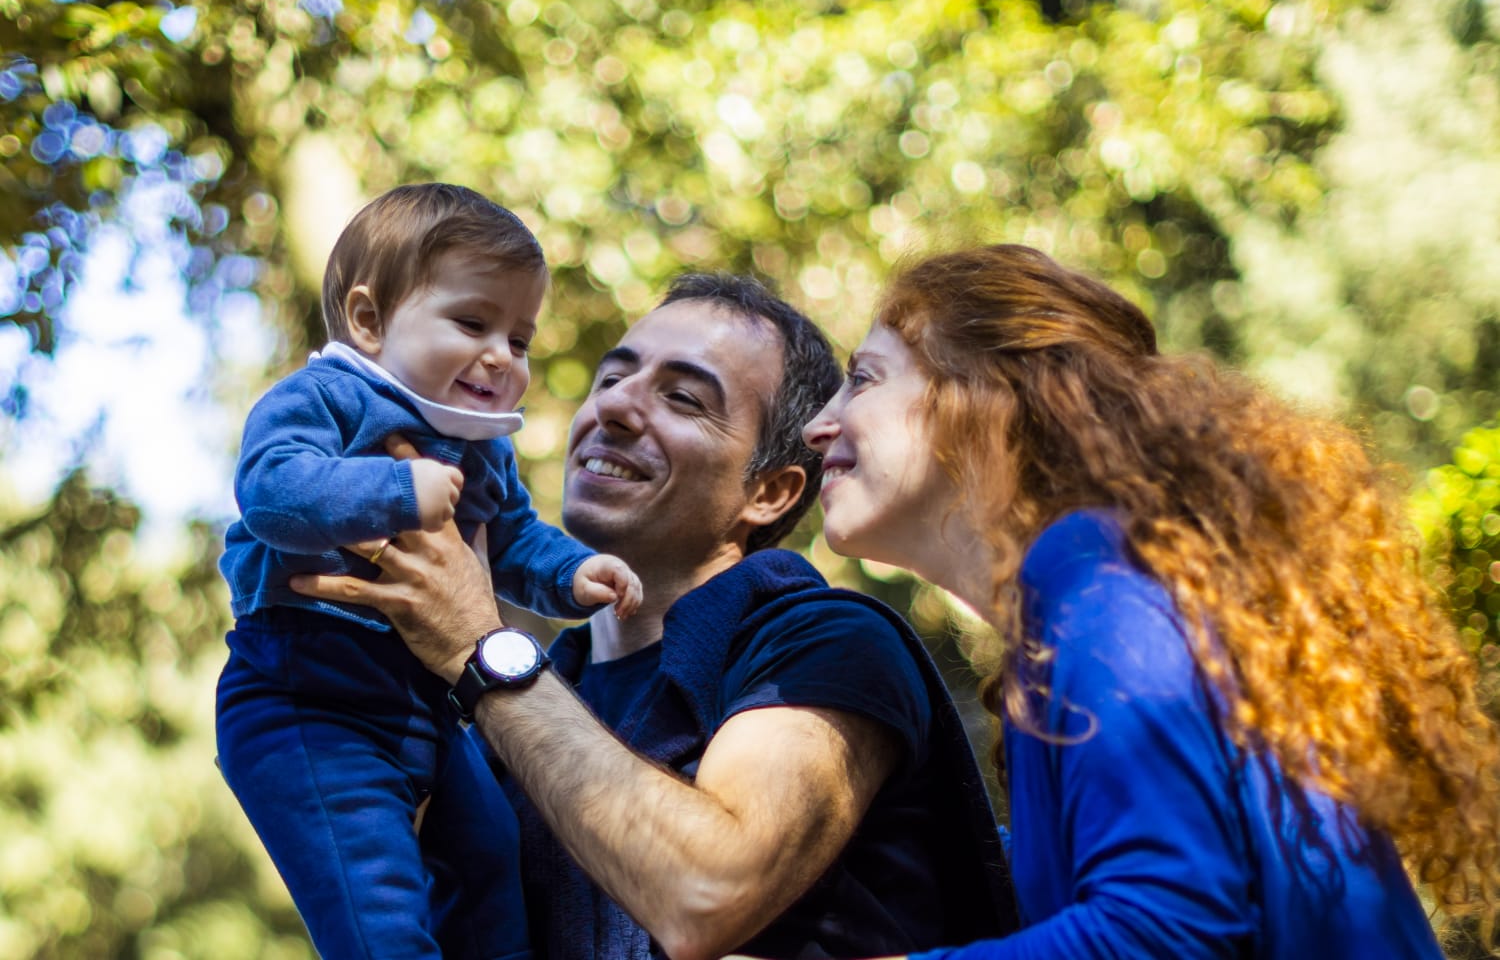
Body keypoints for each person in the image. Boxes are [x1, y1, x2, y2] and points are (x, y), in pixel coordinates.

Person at [797, 243, 1500, 958]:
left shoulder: (1107, 600)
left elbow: (1166, 930)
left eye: (863, 379)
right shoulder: (1099, 596)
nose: (816, 426)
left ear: (989, 400)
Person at [292, 273, 1020, 960]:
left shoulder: (833, 643)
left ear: (768, 491)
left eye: (682, 398)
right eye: (612, 377)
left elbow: (707, 894)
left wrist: (481, 648)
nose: (612, 406)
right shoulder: (541, 692)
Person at [215, 183, 641, 960]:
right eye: (473, 322)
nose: (500, 357)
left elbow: (512, 538)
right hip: (308, 701)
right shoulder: (326, 397)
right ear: (369, 318)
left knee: (493, 861)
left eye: (520, 339)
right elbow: (272, 493)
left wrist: (575, 574)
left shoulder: (482, 446)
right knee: (377, 907)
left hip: (431, 708)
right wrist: (393, 491)